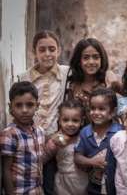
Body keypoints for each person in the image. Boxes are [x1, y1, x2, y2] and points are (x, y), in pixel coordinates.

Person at [18, 30, 69, 195]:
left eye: (52, 49)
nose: (48, 54)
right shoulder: (24, 77)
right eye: (42, 49)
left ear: (59, 50)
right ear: (34, 52)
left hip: (58, 140)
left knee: (53, 185)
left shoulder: (67, 73)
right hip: (31, 144)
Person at [0, 81, 59, 194]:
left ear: (37, 105)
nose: (24, 110)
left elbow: (39, 160)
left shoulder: (40, 131)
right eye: (18, 105)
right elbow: (6, 170)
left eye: (30, 105)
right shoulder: (9, 135)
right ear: (10, 107)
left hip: (38, 190)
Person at [74, 87, 122, 195]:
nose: (95, 112)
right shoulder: (85, 132)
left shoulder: (120, 133)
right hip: (93, 188)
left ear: (113, 112)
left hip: (116, 188)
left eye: (101, 109)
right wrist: (91, 162)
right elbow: (77, 157)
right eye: (92, 108)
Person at [64, 38, 109, 124]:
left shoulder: (108, 83)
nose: (91, 62)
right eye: (86, 58)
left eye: (96, 57)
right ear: (79, 61)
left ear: (102, 59)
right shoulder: (73, 86)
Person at [53, 100, 88, 195]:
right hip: (62, 183)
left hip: (81, 181)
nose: (70, 124)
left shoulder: (84, 137)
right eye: (65, 120)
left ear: (82, 121)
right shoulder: (56, 138)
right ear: (59, 120)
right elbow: (43, 158)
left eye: (75, 120)